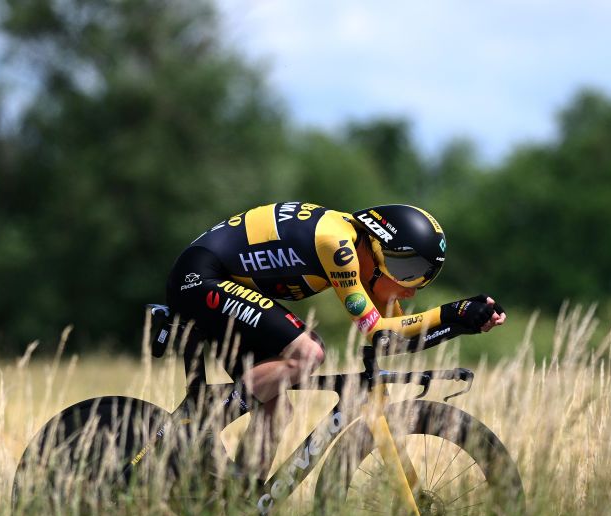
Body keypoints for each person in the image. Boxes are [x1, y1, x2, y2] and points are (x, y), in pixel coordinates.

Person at [164, 202, 506, 486]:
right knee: (307, 353)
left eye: (423, 275)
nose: (412, 287)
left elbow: (395, 342)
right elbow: (381, 332)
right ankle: (199, 424)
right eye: (406, 269)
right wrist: (451, 313)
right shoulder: (338, 246)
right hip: (200, 278)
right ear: (375, 245)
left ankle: (233, 507)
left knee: (275, 407)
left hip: (219, 280)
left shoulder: (362, 250)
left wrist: (464, 321)